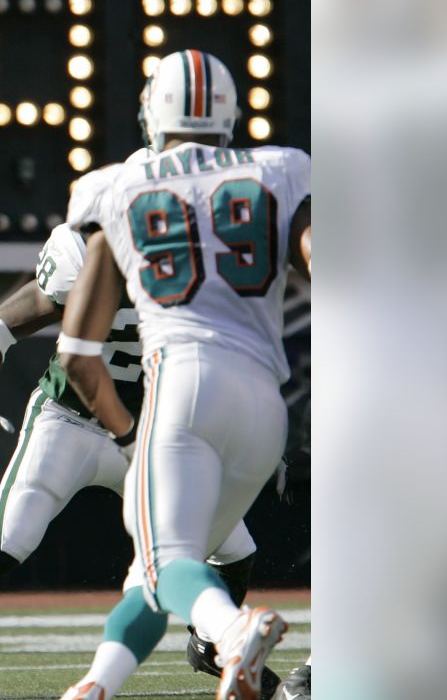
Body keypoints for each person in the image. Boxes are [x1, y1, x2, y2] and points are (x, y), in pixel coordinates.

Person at [0, 184, 277, 698]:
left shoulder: (205, 276)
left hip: (149, 432)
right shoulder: (82, 255)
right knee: (7, 542)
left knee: (232, 548)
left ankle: (210, 645)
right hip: (71, 420)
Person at [55, 49, 311, 700]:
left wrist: (125, 439)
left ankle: (232, 631)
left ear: (153, 111)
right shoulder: (280, 171)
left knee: (168, 559)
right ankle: (97, 686)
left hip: (185, 384)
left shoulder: (117, 187)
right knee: (155, 567)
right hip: (265, 406)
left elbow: (77, 355)